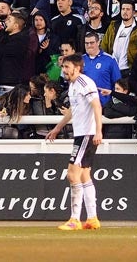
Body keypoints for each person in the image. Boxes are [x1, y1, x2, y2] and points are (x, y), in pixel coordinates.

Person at [47, 53, 105, 231]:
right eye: (63, 67)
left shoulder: (84, 83)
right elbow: (74, 110)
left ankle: (74, 219)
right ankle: (93, 218)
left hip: (86, 135)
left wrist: (98, 131)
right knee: (84, 175)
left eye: (67, 67)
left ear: (77, 68)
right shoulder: (73, 85)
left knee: (72, 175)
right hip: (83, 134)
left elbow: (97, 105)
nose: (63, 70)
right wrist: (57, 128)